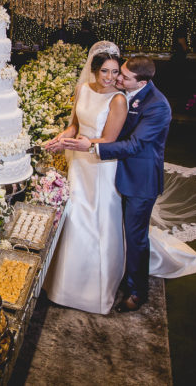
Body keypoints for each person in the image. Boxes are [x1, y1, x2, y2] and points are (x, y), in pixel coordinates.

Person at [61, 54, 196, 313]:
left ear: (142, 81)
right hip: (111, 171)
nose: (117, 78)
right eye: (118, 73)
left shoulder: (157, 106)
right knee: (113, 227)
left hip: (139, 180)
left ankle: (137, 292)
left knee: (136, 236)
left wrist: (91, 146)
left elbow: (135, 144)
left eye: (124, 76)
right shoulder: (120, 91)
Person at [41, 42, 127, 314]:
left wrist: (80, 144)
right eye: (105, 71)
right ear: (93, 69)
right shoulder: (82, 90)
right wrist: (61, 138)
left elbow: (109, 140)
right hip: (79, 162)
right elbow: (75, 125)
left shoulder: (118, 99)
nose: (110, 78)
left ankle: (95, 291)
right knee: (74, 216)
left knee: (95, 218)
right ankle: (61, 285)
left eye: (115, 72)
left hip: (100, 165)